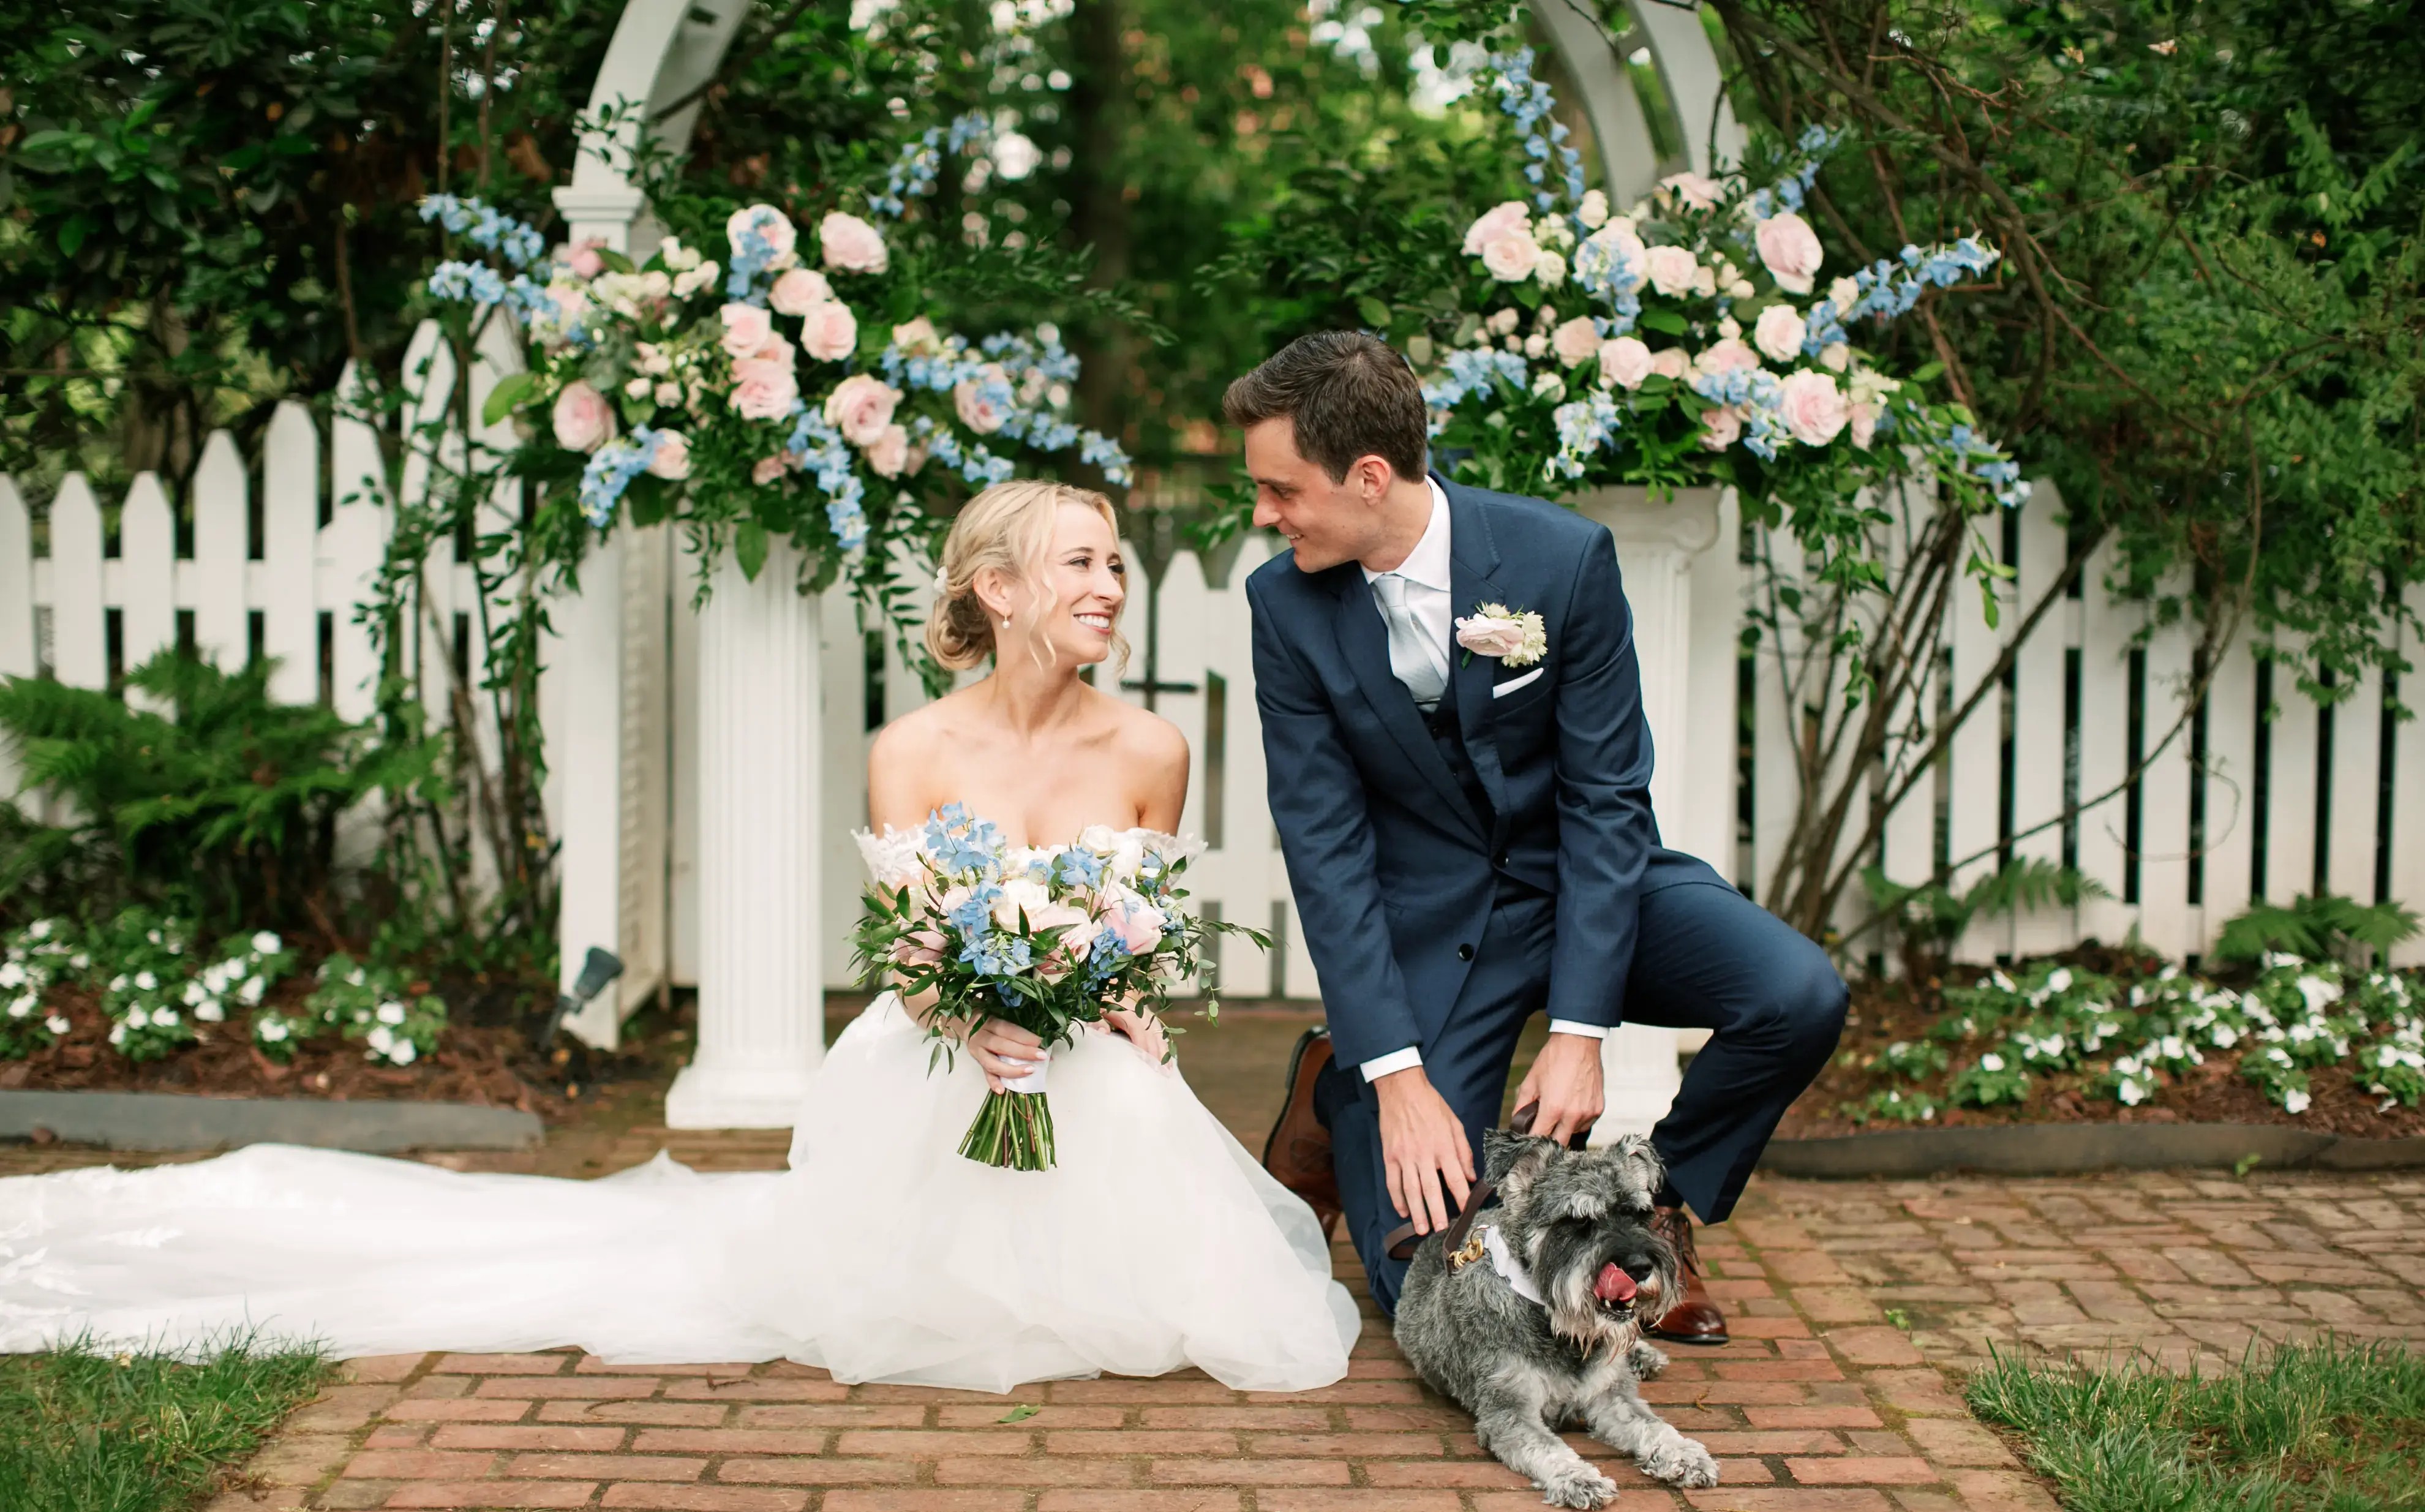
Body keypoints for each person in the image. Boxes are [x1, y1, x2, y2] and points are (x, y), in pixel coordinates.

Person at [0, 480, 1357, 1395]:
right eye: (1082, 565)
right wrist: (971, 1015)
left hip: (1085, 1068)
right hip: (946, 1058)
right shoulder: (911, 749)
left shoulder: (1155, 746)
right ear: (997, 592)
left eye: (1117, 564)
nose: (1111, 585)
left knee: (1186, 1248)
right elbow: (907, 953)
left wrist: (1115, 1009)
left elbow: (1142, 940)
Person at [1238, 331, 1849, 1338]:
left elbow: (1608, 799)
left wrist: (1582, 1034)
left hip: (1590, 888)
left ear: (1370, 477)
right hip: (1435, 932)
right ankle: (1346, 1084)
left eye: (1282, 490)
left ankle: (1655, 1209)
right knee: (1435, 1291)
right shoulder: (1284, 605)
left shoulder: (1560, 561)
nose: (1266, 515)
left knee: (1796, 995)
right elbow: (1324, 843)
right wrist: (1397, 1076)